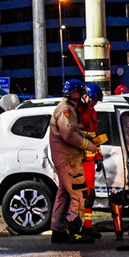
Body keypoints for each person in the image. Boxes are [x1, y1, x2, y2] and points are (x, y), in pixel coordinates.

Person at [49, 79, 99, 244]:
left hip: (65, 159)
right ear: (75, 93)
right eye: (81, 92)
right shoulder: (66, 110)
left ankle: (58, 231)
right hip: (69, 160)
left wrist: (87, 137)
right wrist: (88, 145)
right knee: (79, 195)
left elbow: (74, 131)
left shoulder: (68, 108)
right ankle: (74, 231)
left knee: (63, 195)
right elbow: (69, 135)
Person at [78, 83, 107, 238]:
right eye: (94, 100)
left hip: (89, 162)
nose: (95, 103)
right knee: (81, 196)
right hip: (79, 161)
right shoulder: (78, 112)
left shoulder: (92, 113)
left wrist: (98, 157)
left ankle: (87, 226)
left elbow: (95, 138)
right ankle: (78, 228)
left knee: (90, 196)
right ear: (85, 96)